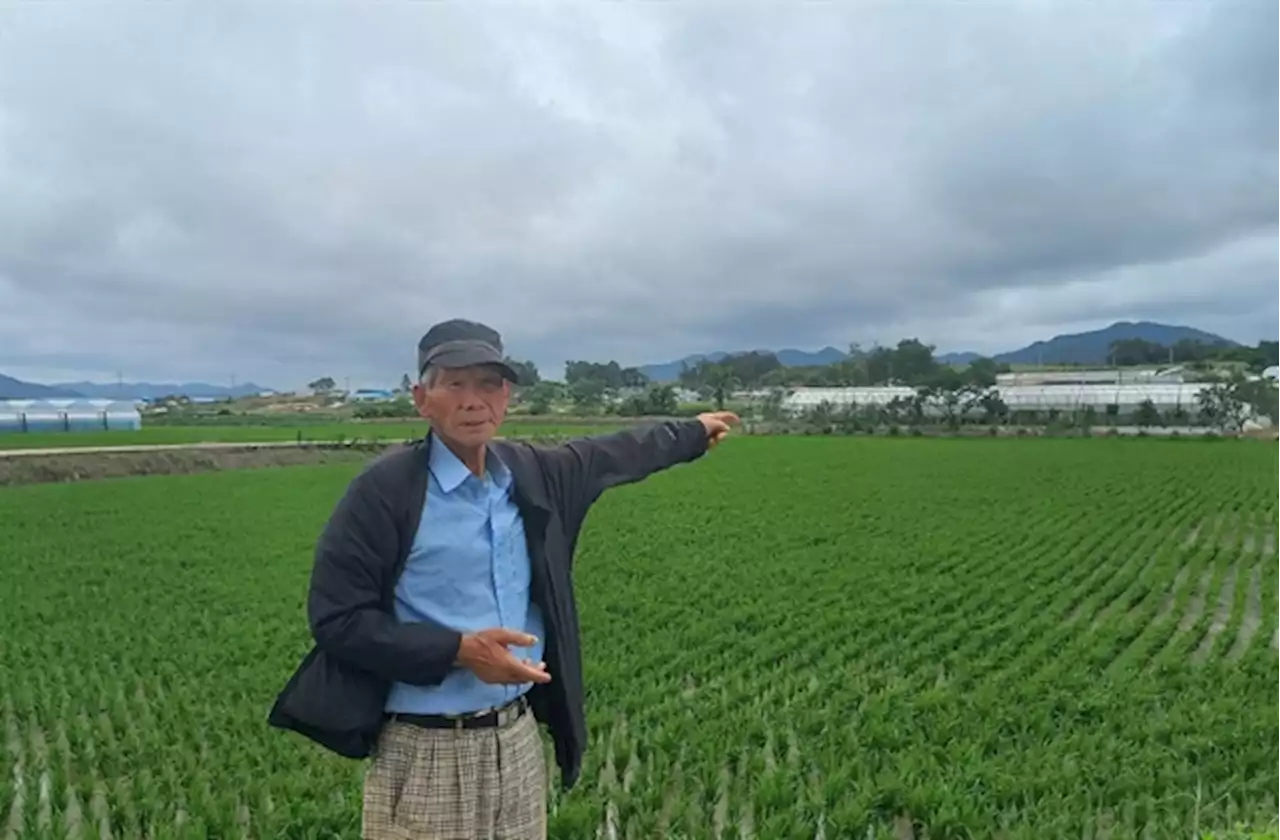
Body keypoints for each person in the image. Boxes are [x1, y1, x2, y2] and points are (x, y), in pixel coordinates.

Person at [268, 317, 738, 839]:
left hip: (514, 740)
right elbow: (338, 620)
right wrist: (459, 651)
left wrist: (692, 433)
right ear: (422, 398)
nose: (474, 400)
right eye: (455, 383)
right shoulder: (383, 492)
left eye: (488, 384)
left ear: (507, 395)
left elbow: (613, 453)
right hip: (425, 751)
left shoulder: (532, 473)